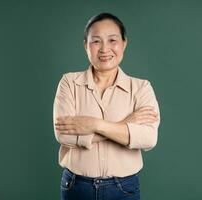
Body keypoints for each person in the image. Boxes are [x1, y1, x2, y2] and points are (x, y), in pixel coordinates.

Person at [53, 12, 161, 200]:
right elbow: (63, 135)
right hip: (77, 186)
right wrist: (127, 124)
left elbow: (148, 138)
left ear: (124, 43)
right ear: (86, 45)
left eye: (112, 40)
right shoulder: (69, 83)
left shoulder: (141, 88)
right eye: (96, 41)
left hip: (124, 188)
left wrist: (95, 125)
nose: (104, 49)